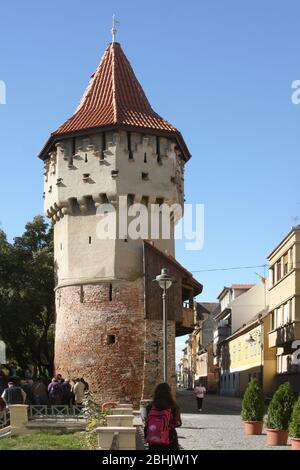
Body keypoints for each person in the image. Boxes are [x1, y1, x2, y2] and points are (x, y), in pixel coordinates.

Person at [144, 383, 182, 450]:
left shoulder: (149, 407)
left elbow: (147, 422)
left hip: (154, 439)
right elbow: (178, 423)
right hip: (170, 439)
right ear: (169, 393)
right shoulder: (174, 407)